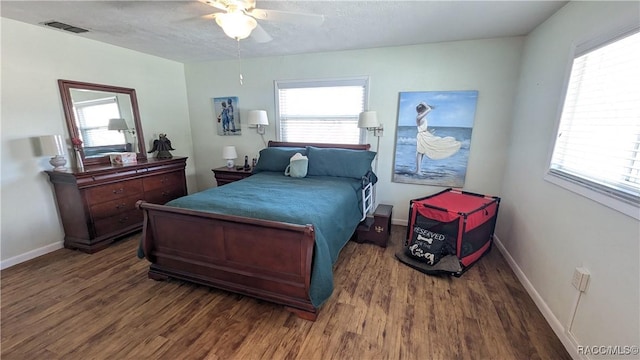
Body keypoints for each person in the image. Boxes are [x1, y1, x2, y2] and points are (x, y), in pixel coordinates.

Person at [414, 102, 461, 174]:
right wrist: (424, 104)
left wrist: (429, 131)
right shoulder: (419, 117)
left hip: (425, 134)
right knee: (420, 152)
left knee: (421, 152)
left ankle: (418, 170)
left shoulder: (421, 117)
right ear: (422, 111)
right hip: (422, 136)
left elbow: (422, 127)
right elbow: (429, 109)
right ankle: (418, 170)